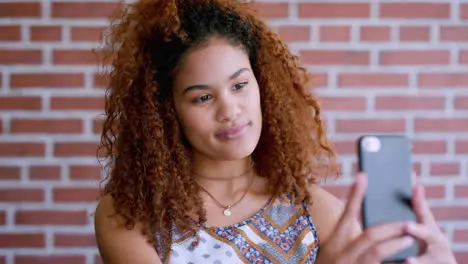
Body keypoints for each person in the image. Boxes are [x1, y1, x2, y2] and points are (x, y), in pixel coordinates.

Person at [93, 0, 457, 263]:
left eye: (239, 86)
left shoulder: (320, 213)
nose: (230, 111)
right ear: (165, 111)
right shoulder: (129, 217)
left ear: (262, 84)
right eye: (203, 97)